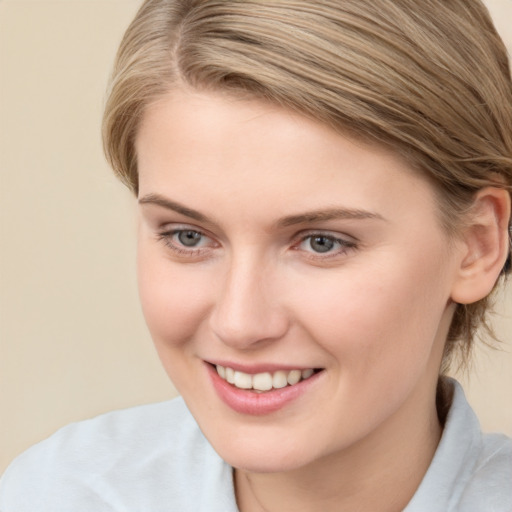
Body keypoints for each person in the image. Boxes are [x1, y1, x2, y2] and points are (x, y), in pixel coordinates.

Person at [1, 0, 511, 510]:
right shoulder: (59, 492)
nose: (240, 324)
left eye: (321, 243)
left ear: (477, 244)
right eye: (188, 236)